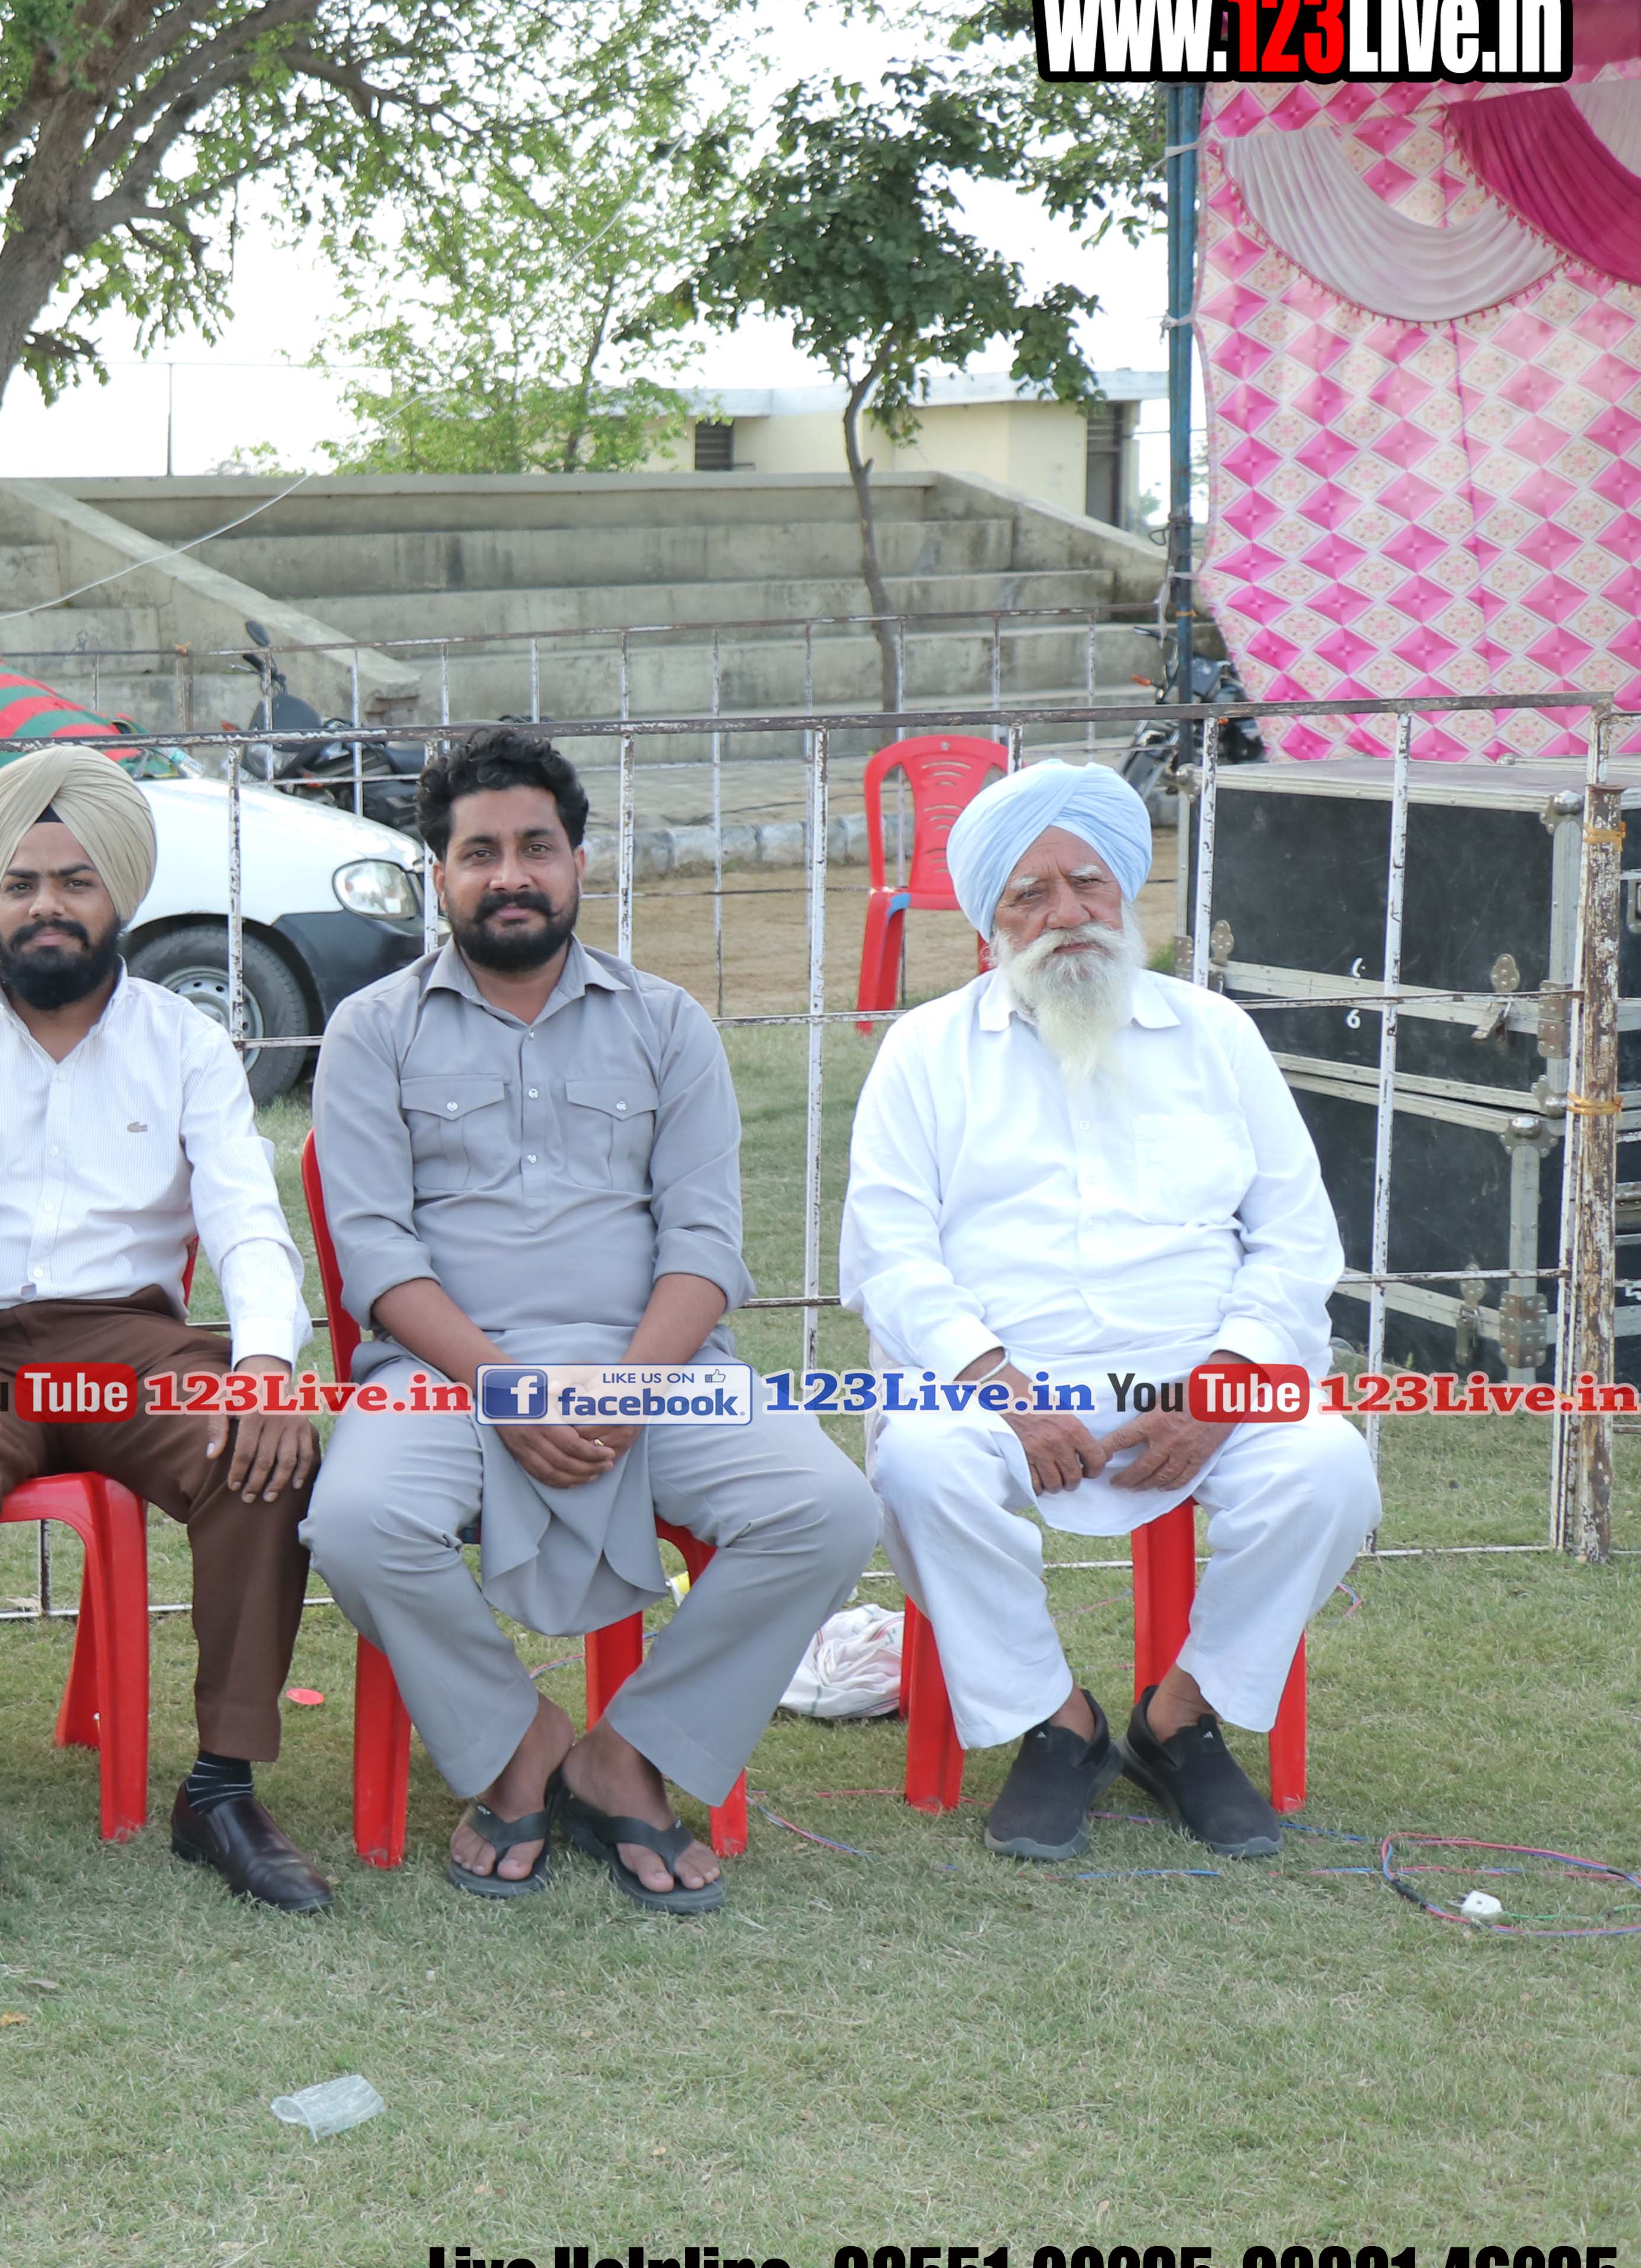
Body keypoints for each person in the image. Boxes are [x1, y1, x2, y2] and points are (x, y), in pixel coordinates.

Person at [301, 728, 879, 1916]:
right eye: (480, 853)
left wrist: (624, 1387)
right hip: (447, 1380)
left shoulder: (668, 1024)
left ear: (578, 862)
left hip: (656, 1374)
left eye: (537, 847)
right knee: (356, 1522)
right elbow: (378, 1257)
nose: (511, 875)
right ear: (439, 873)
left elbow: (706, 1249)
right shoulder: (372, 1029)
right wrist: (506, 1387)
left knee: (828, 1509)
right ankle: (520, 1742)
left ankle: (632, 1753)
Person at [845, 759, 1375, 1863]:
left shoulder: (1215, 1034)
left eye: (1087, 882)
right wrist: (1003, 1389)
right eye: (1029, 894)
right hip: (1000, 1384)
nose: (1066, 914)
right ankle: (1058, 1723)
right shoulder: (926, 1052)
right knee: (921, 1468)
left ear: (1124, 891)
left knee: (1329, 1470)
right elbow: (890, 1254)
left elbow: (1296, 1240)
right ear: (991, 921)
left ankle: (1181, 1719)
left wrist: (1222, 1392)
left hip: (1202, 1378)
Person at [0, 743, 325, 1957]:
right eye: (22, 883)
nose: (48, 906)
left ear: (119, 893)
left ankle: (221, 1788)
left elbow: (245, 1215)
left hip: (134, 1345)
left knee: (261, 1450)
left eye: (75, 881)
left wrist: (266, 1364)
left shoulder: (186, 1041)